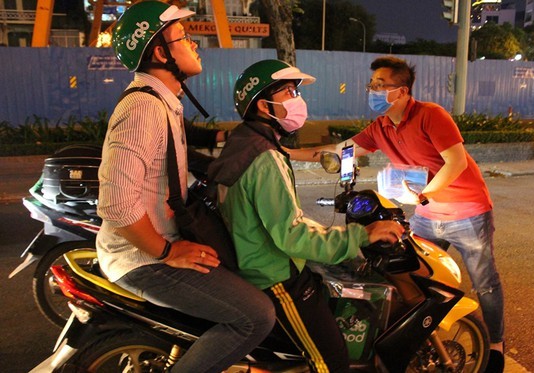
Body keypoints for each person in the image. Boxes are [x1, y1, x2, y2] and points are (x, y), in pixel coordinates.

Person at [288, 55, 505, 373]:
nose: (373, 90)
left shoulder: (431, 115)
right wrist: (285, 153)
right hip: (427, 216)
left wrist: (425, 194)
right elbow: (341, 150)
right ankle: (424, 341)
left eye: (380, 85)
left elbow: (455, 162)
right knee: (412, 275)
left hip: (467, 212)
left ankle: (496, 345)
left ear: (402, 91)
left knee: (484, 282)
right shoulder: (381, 127)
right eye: (371, 84)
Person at [96, 2, 275, 372]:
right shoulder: (142, 109)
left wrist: (229, 137)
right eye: (184, 38)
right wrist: (166, 252)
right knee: (256, 316)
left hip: (160, 240)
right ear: (161, 53)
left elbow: (178, 143)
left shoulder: (163, 103)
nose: (194, 45)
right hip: (142, 258)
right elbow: (116, 205)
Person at [208, 59, 405, 373]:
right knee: (332, 361)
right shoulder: (265, 158)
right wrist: (361, 235)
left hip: (255, 258)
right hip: (274, 276)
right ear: (263, 105)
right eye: (288, 92)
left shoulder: (244, 142)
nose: (298, 99)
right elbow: (291, 235)